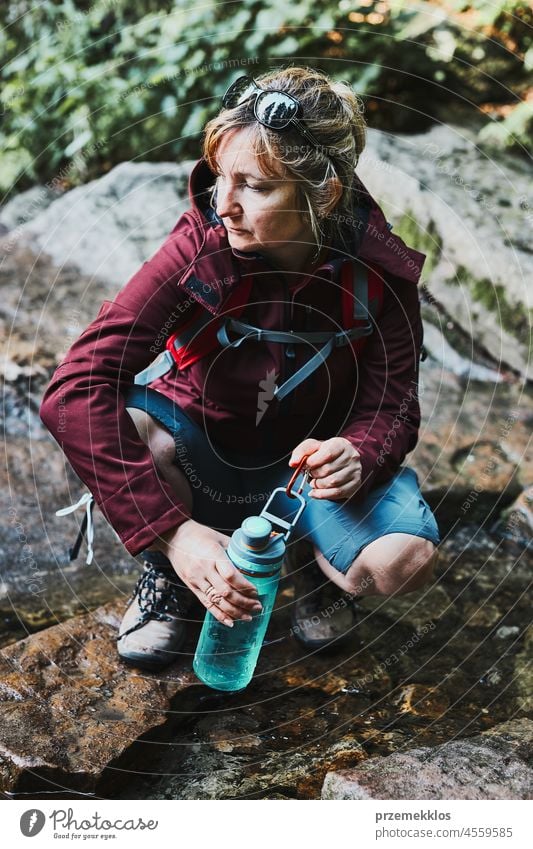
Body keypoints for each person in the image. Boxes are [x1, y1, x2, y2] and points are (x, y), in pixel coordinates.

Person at [40, 66, 440, 670]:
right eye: (222, 177)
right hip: (203, 451)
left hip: (304, 473)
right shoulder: (197, 246)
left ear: (322, 194)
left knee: (399, 559)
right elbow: (75, 387)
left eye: (252, 186)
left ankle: (313, 568)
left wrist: (359, 451)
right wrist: (170, 534)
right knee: (142, 433)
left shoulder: (379, 272)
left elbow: (395, 402)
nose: (223, 204)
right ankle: (175, 579)